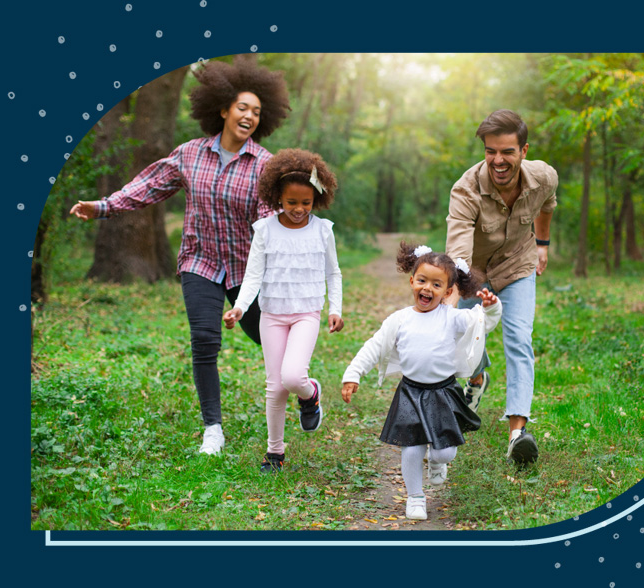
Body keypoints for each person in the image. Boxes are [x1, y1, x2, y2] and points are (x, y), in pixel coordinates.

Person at [69, 57, 291, 455]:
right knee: (204, 341)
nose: (249, 116)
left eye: (257, 111)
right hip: (200, 262)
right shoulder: (189, 154)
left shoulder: (265, 166)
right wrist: (102, 206)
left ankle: (305, 389)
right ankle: (213, 429)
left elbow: (269, 222)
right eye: (242, 107)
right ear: (222, 109)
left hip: (248, 269)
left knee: (269, 340)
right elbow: (149, 186)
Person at [341, 243, 502, 520]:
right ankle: (415, 497)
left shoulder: (451, 318)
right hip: (411, 394)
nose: (427, 288)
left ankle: (438, 463)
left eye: (437, 284)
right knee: (412, 448)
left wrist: (490, 308)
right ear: (412, 281)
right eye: (423, 280)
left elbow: (481, 324)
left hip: (442, 393)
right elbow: (374, 346)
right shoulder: (399, 320)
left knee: (445, 452)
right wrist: (353, 374)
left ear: (448, 292)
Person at [445, 109, 558, 465]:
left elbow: (547, 206)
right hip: (473, 271)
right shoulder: (465, 191)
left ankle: (517, 434)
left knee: (519, 338)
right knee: (464, 339)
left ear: (524, 151)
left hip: (518, 265)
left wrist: (542, 244)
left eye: (507, 151)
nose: (498, 159)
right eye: (491, 150)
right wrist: (451, 299)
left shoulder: (543, 177)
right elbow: (458, 253)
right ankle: (476, 378)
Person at [223, 149, 343, 474]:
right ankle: (274, 453)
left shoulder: (322, 230)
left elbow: (334, 273)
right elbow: (252, 275)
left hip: (306, 312)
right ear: (278, 198)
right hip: (271, 314)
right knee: (275, 386)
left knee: (293, 377)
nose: (299, 209)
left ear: (316, 199)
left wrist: (336, 308)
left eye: (305, 203)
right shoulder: (264, 230)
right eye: (291, 202)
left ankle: (310, 392)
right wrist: (239, 308)